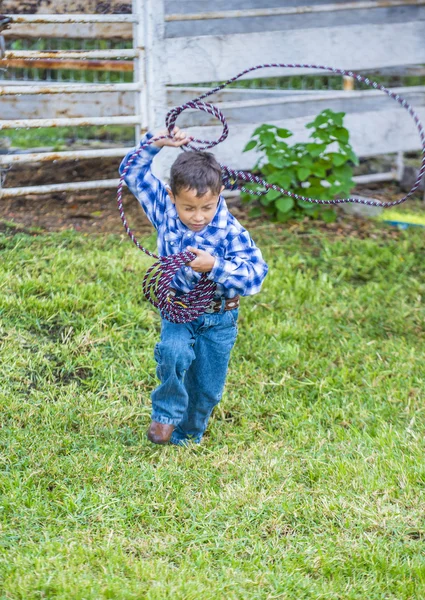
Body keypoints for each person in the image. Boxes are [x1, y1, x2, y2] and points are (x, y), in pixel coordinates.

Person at [119, 126, 268, 446]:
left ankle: (190, 433)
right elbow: (131, 173)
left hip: (220, 316)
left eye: (207, 207)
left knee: (207, 387)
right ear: (172, 197)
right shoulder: (164, 209)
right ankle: (166, 414)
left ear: (219, 197)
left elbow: (256, 274)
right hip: (179, 306)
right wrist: (156, 143)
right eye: (188, 208)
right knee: (172, 353)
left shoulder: (230, 230)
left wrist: (215, 267)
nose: (198, 217)